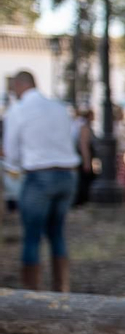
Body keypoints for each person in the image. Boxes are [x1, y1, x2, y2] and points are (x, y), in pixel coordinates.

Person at [3, 70, 80, 292]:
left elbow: (12, 153)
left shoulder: (18, 110)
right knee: (56, 232)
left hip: (39, 175)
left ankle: (31, 293)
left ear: (19, 86)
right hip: (67, 175)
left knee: (32, 235)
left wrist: (14, 168)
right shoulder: (59, 107)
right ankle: (61, 288)